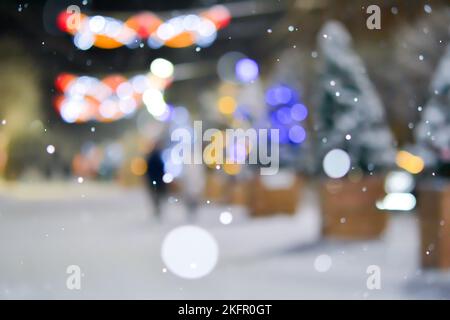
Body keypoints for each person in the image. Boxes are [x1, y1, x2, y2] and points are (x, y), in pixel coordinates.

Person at [145, 144, 167, 218]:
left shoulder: (150, 158)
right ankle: (157, 208)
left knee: (155, 195)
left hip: (153, 180)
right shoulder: (158, 158)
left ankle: (157, 208)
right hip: (158, 180)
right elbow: (162, 169)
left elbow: (148, 170)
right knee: (158, 195)